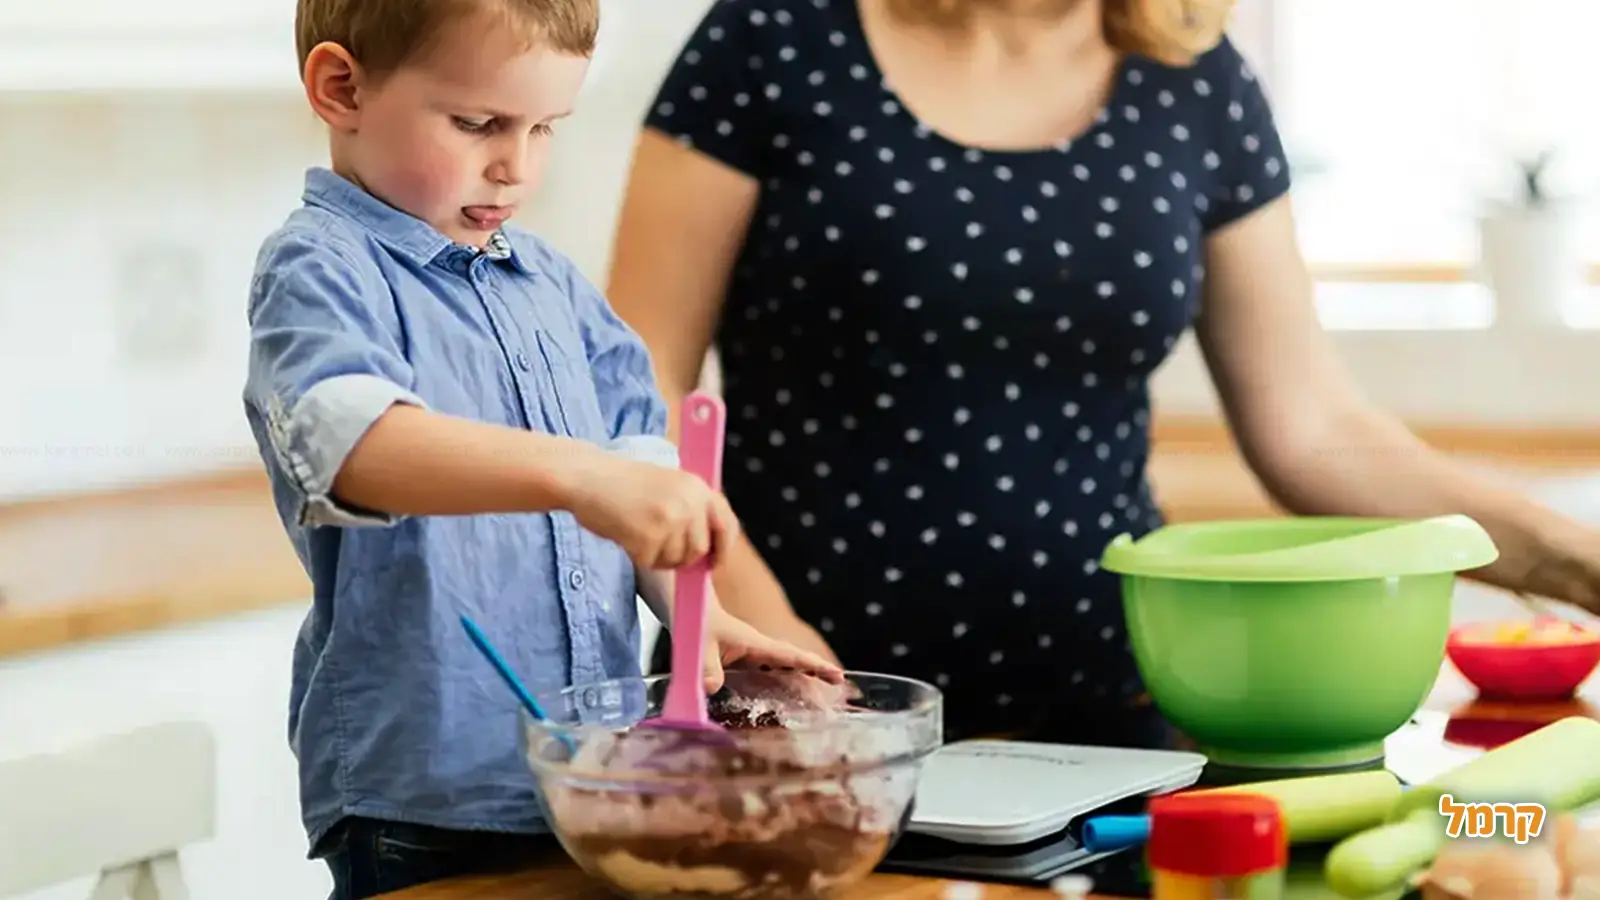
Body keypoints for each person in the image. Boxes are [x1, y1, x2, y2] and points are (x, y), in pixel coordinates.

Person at [606, 0, 1600, 747]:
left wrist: (1570, 558)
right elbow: (628, 396)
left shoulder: (1196, 77)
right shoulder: (770, 38)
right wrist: (768, 645)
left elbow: (1313, 429)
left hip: (1114, 715)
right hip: (793, 708)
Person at [242, 1, 841, 897]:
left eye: (543, 128)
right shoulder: (322, 266)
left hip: (585, 781)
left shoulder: (549, 284)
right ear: (342, 88)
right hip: (426, 802)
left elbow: (640, 464)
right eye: (478, 123)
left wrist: (689, 608)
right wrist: (581, 475)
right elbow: (349, 443)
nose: (515, 166)